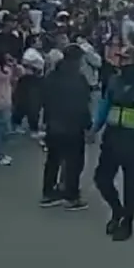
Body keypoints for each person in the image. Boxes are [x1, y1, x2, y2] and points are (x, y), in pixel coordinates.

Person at [91, 46, 134, 241]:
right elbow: (105, 106)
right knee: (102, 179)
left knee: (132, 185)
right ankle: (117, 210)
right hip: (112, 137)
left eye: (126, 59)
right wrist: (95, 128)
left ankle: (127, 222)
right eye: (120, 59)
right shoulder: (113, 82)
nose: (122, 63)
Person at [40, 44, 92, 210]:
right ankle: (71, 195)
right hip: (73, 127)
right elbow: (83, 105)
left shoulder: (52, 76)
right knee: (74, 162)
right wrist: (88, 126)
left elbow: (45, 100)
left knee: (53, 160)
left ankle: (48, 193)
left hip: (54, 126)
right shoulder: (79, 79)